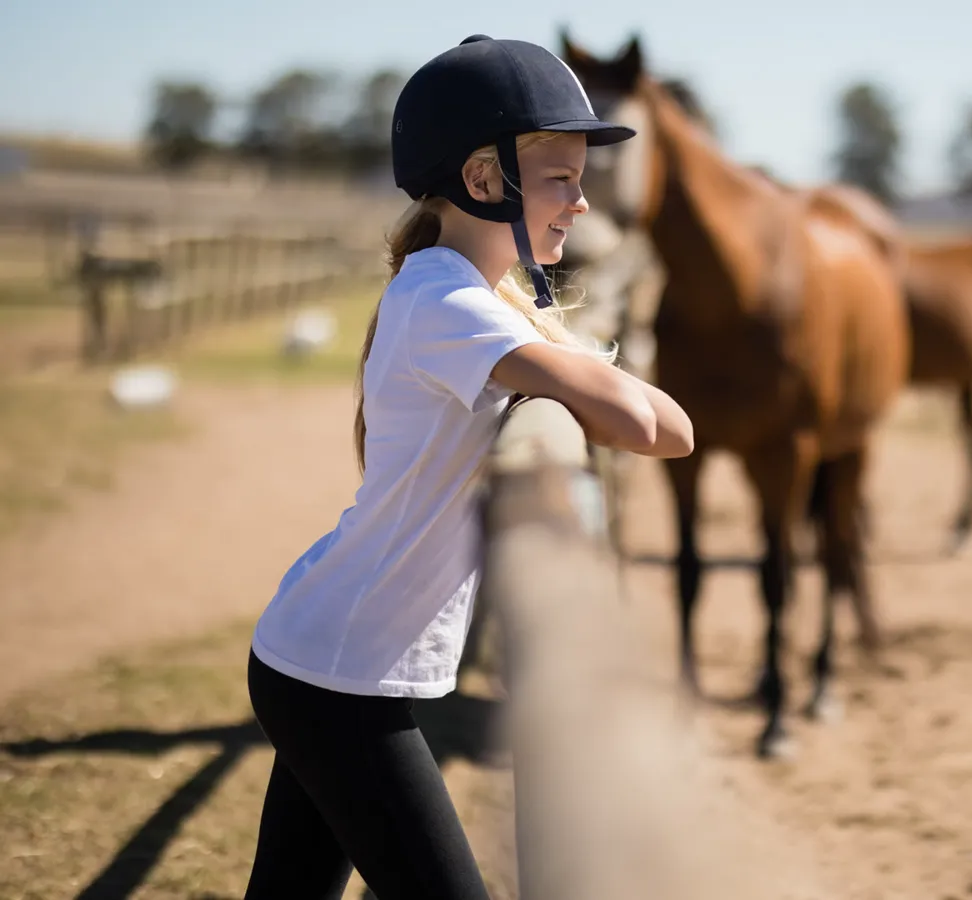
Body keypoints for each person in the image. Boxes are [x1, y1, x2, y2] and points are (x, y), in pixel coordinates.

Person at [241, 34, 693, 899]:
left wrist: (545, 336)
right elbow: (652, 423)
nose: (583, 204)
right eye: (562, 178)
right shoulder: (449, 302)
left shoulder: (473, 296)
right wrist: (560, 349)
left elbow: (669, 426)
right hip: (336, 678)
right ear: (486, 181)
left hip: (327, 660)